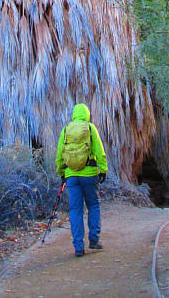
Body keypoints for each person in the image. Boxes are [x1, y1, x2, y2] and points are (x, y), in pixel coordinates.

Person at [55, 103, 108, 257]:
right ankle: (94, 240)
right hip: (89, 174)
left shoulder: (65, 130)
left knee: (75, 210)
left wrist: (62, 173)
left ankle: (78, 246)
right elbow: (99, 150)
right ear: (86, 114)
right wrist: (103, 169)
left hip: (71, 176)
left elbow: (59, 155)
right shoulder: (90, 128)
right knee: (93, 205)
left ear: (74, 114)